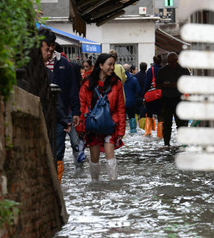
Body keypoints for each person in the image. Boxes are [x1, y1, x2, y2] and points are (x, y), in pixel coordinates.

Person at [77, 53, 127, 181]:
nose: (112, 67)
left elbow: (120, 108)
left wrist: (121, 130)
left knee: (110, 155)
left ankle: (113, 183)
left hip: (110, 124)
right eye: (109, 64)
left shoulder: (117, 83)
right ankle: (95, 184)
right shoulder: (87, 83)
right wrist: (81, 128)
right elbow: (82, 106)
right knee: (94, 157)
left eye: (113, 64)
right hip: (92, 125)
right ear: (100, 65)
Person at [41, 31, 82, 180]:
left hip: (61, 113)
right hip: (43, 111)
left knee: (58, 150)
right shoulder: (34, 64)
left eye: (52, 46)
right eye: (48, 46)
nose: (50, 50)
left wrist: (76, 111)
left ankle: (57, 185)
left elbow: (72, 88)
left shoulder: (64, 63)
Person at [157, 52, 191, 147]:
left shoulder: (183, 70)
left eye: (173, 61)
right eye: (170, 62)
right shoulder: (162, 71)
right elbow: (157, 85)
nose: (172, 63)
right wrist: (165, 85)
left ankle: (183, 142)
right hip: (166, 99)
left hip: (179, 99)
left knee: (181, 123)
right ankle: (166, 143)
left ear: (177, 60)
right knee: (167, 123)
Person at [141, 54, 163, 138]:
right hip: (161, 96)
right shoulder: (163, 70)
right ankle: (160, 135)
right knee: (160, 115)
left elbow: (147, 84)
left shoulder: (151, 70)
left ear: (153, 61)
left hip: (151, 96)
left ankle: (148, 133)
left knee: (149, 113)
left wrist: (144, 94)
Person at [123, 65, 141, 133]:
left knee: (122, 118)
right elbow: (138, 90)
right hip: (131, 101)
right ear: (129, 70)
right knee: (132, 116)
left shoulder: (120, 80)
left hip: (122, 101)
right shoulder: (133, 79)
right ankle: (133, 130)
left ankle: (122, 132)